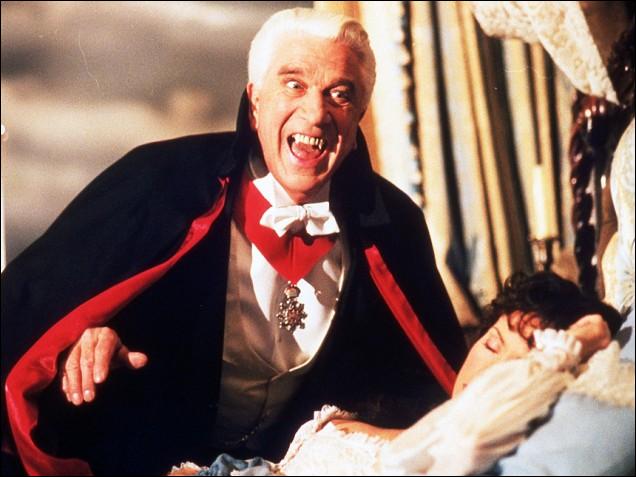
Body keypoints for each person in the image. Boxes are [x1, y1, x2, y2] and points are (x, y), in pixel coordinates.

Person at [0, 8, 468, 476]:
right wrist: (81, 340)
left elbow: (425, 389)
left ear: (360, 115)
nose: (316, 113)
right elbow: (32, 317)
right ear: (255, 101)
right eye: (294, 85)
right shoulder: (156, 181)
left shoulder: (392, 224)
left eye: (340, 94)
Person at [174, 271, 626, 476]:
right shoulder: (406, 412)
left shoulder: (467, 442)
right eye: (491, 343)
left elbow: (470, 436)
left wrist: (577, 343)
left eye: (518, 365)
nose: (491, 368)